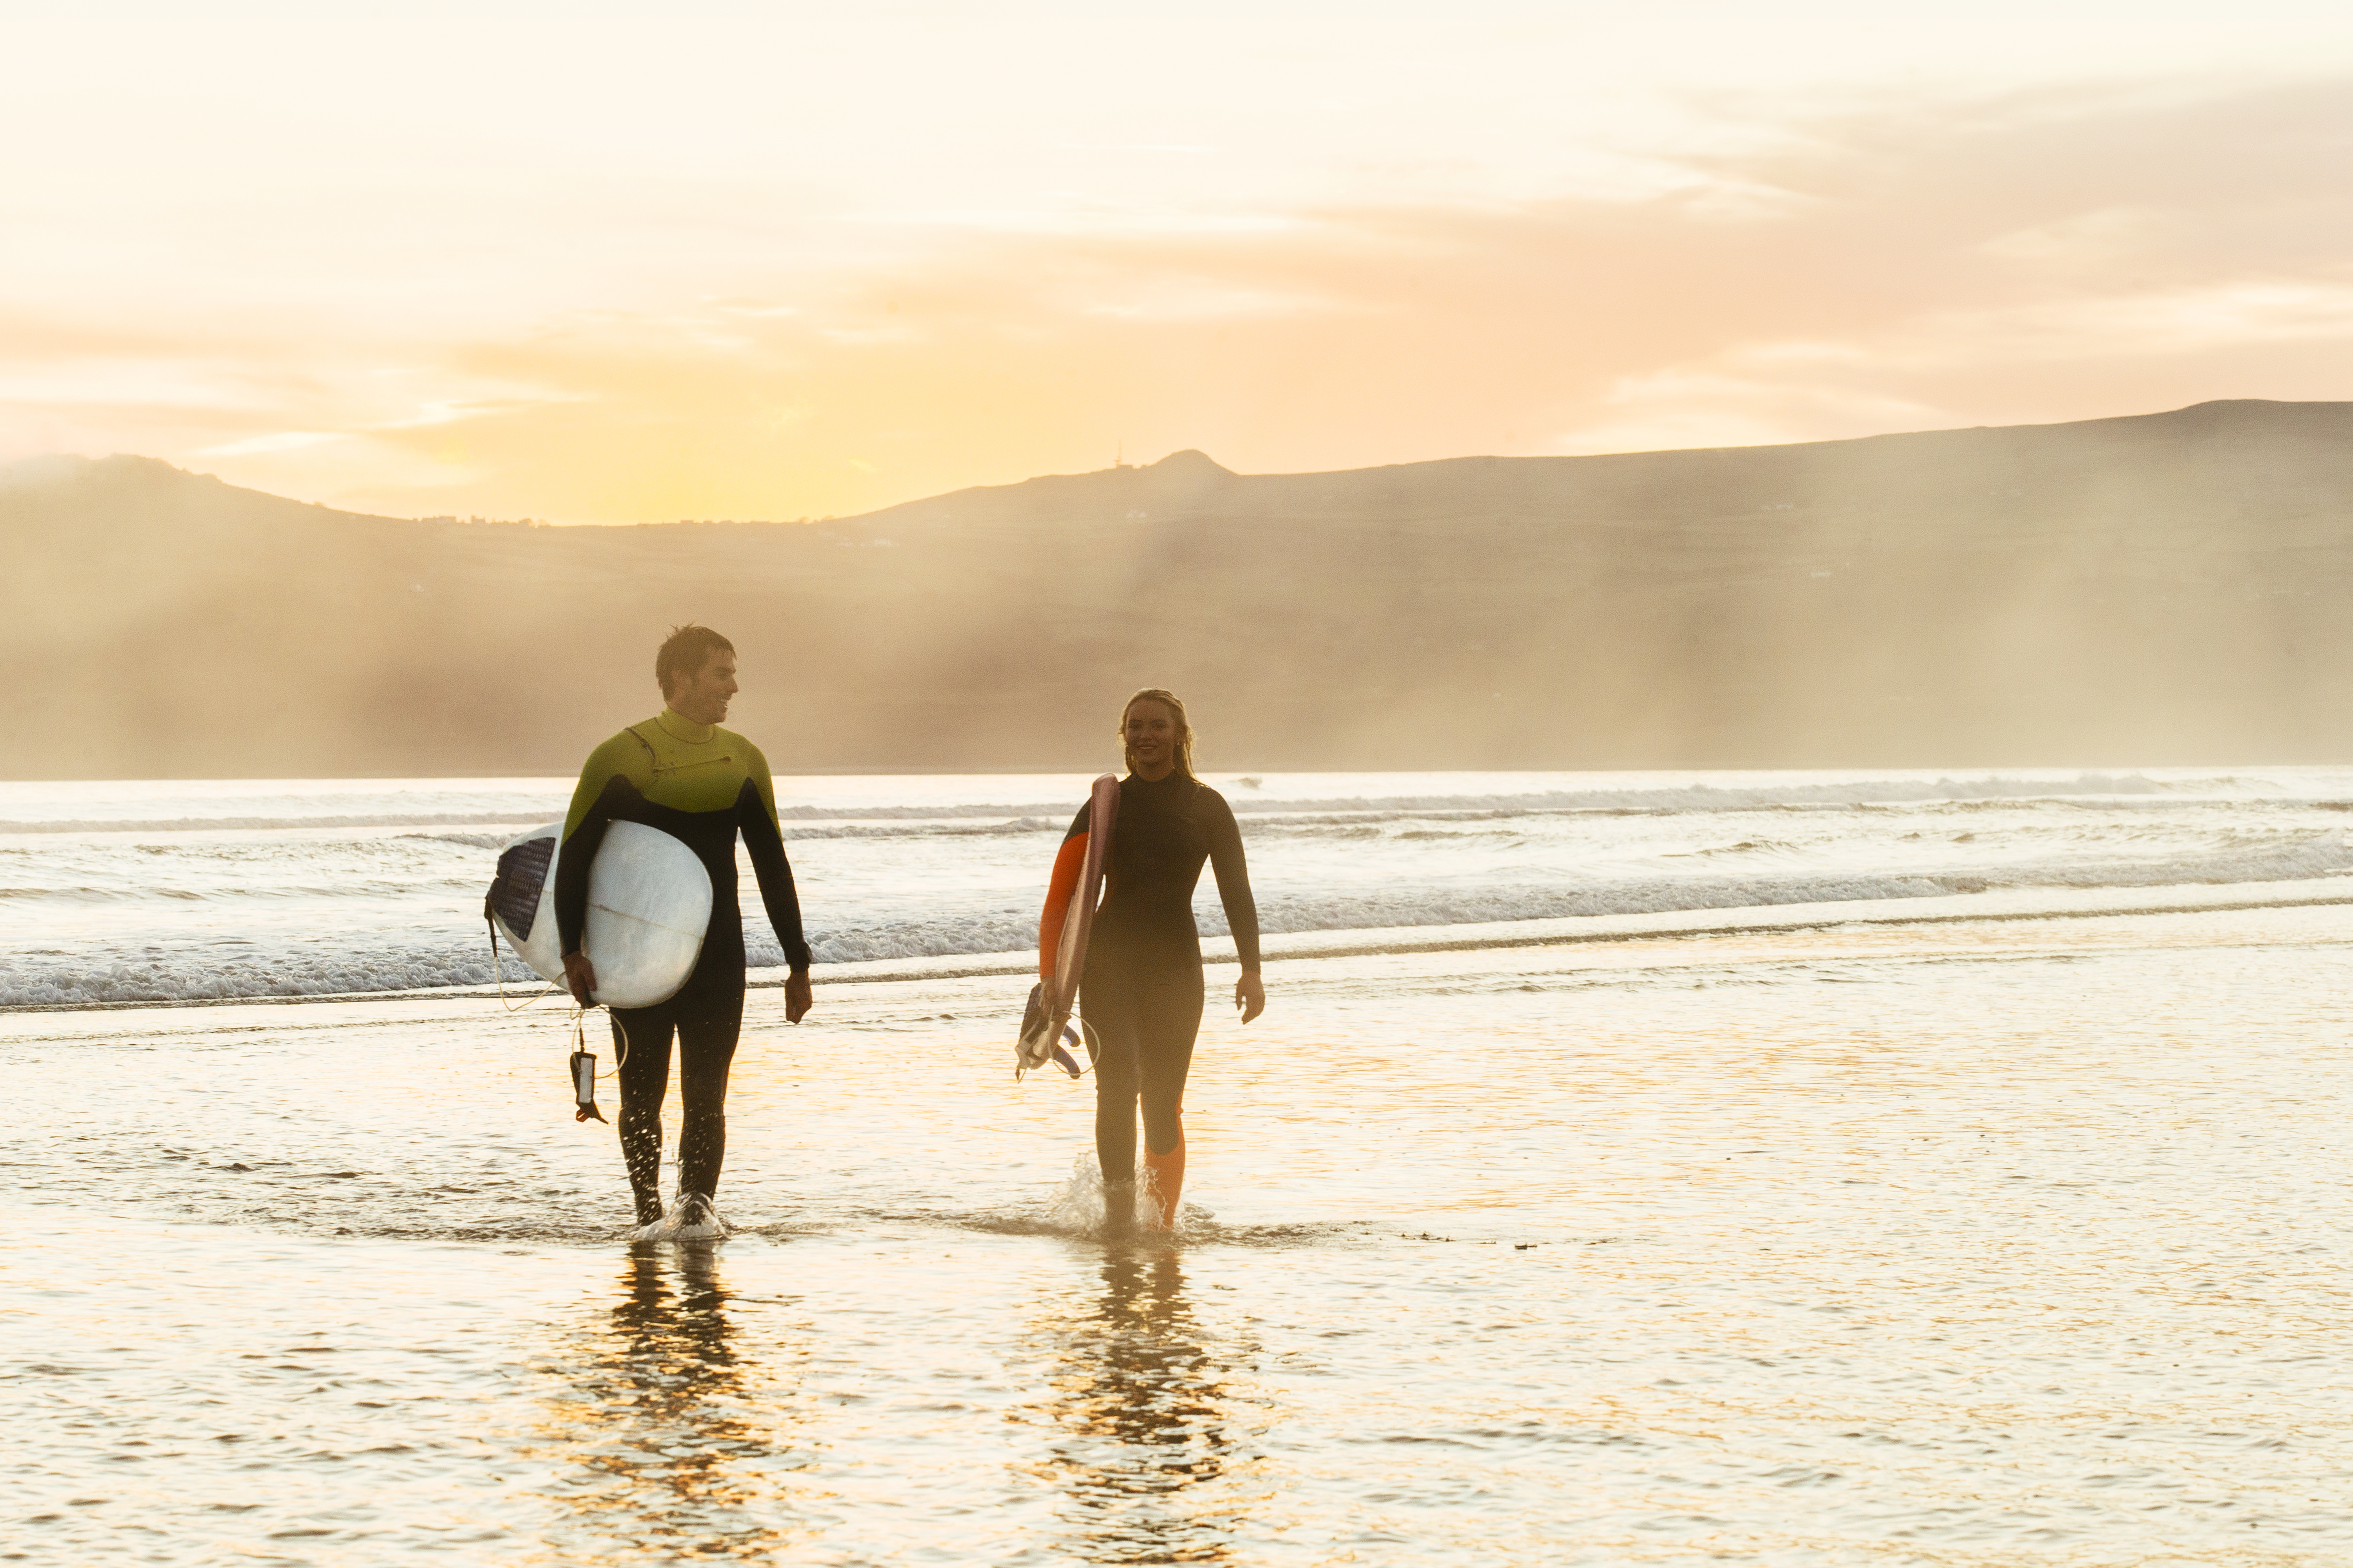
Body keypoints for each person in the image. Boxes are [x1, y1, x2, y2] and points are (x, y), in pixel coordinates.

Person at [556, 624, 814, 1238]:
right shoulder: (618, 757)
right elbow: (573, 857)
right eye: (722, 672)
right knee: (641, 1094)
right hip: (638, 962)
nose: (734, 685)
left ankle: (694, 1214)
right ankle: (649, 1213)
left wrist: (797, 962)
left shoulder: (744, 759)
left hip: (719, 958)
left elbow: (772, 864)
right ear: (682, 678)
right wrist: (572, 951)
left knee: (707, 1098)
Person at [1066, 688, 1265, 1231]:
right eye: (1134, 726)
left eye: (1156, 725)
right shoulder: (1106, 804)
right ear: (1123, 734)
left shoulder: (1205, 805)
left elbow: (1236, 890)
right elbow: (1064, 893)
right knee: (1115, 1087)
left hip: (1175, 967)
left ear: (1179, 734)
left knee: (1160, 1100)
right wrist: (1053, 982)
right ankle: (1119, 1216)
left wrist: (1252, 968)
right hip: (1107, 964)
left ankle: (1161, 1223)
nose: (1144, 735)